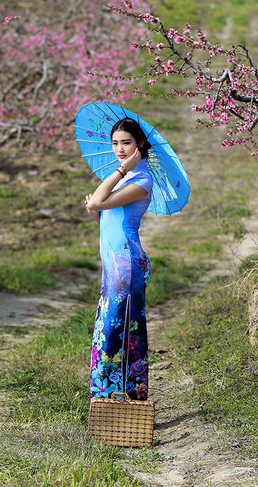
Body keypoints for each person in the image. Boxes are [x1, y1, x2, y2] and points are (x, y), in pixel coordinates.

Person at [84, 117, 153, 401]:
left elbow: (100, 200)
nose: (119, 149)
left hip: (126, 266)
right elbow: (102, 212)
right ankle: (105, 398)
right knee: (110, 329)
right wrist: (94, 210)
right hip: (114, 267)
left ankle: (124, 399)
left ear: (140, 144)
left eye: (126, 143)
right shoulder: (127, 179)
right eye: (115, 143)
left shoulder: (142, 180)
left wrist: (121, 169)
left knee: (122, 331)